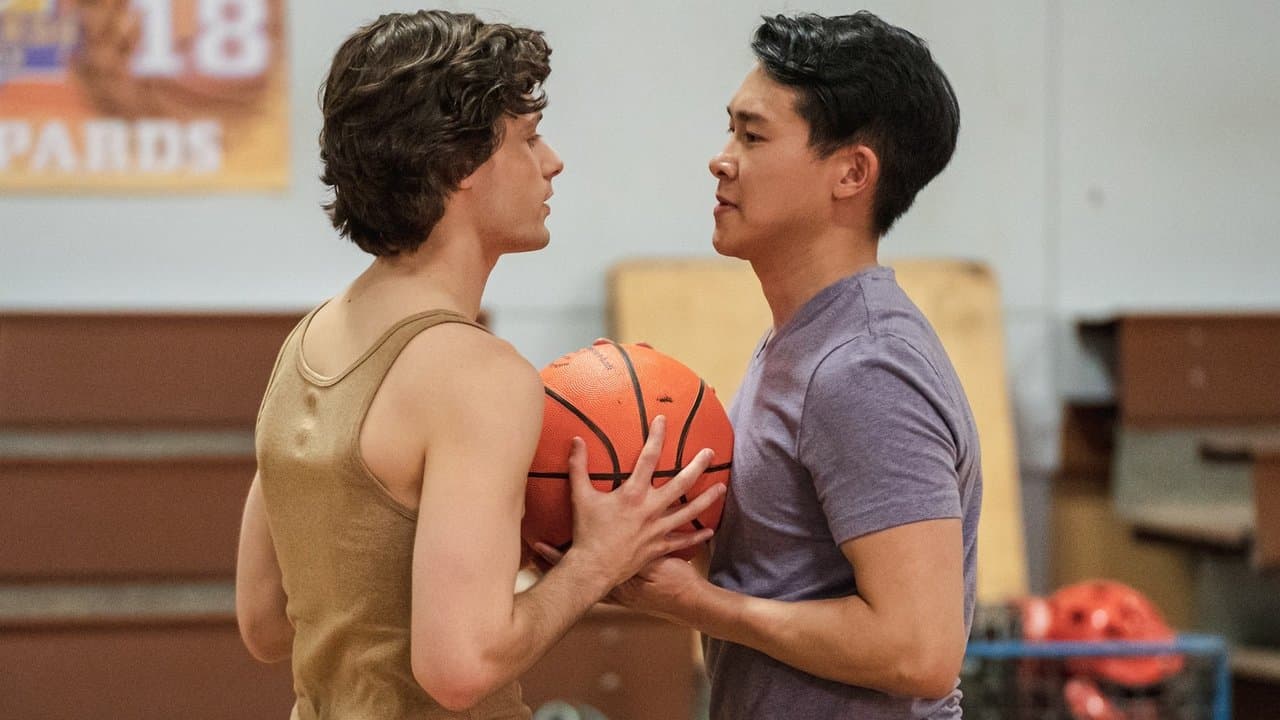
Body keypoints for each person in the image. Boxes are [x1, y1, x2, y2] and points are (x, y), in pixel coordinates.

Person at [233, 11, 721, 719]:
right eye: (528, 137)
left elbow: (266, 625)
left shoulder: (308, 341)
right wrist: (596, 561)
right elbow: (459, 670)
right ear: (459, 164)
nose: (552, 161)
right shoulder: (477, 376)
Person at [540, 11, 982, 719]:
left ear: (851, 173)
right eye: (730, 131)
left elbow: (919, 651)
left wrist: (700, 605)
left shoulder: (864, 367)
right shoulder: (801, 341)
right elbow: (784, 575)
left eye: (753, 136)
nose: (721, 160)